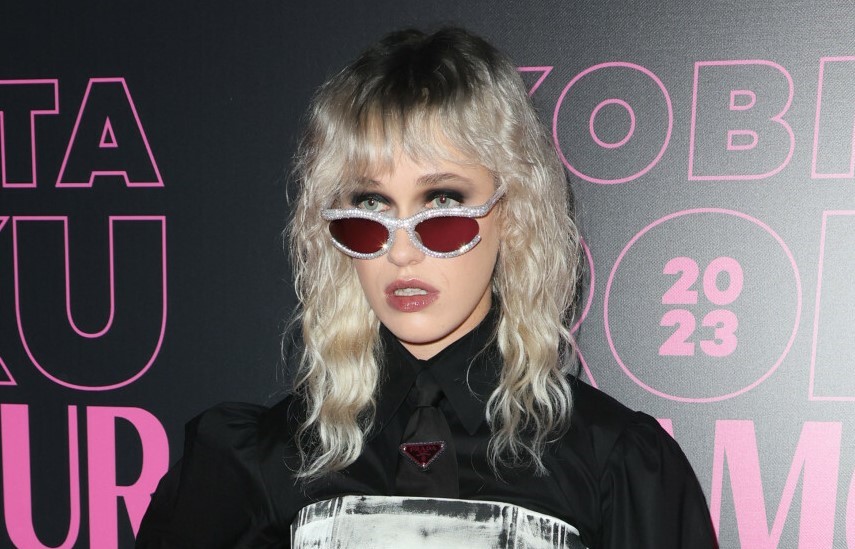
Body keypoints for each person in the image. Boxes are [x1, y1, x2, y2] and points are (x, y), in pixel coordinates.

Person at [136, 28, 717, 548]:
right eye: (371, 208)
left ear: (512, 214)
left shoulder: (613, 463)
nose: (401, 251)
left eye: (442, 205)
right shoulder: (259, 462)